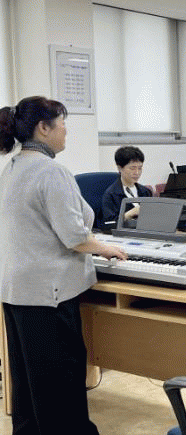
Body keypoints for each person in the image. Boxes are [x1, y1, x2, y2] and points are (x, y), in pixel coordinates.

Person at [0, 96, 127, 434]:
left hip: (16, 291)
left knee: (29, 383)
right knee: (61, 383)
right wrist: (106, 248)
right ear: (44, 128)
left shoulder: (12, 167)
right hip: (49, 295)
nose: (66, 131)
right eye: (62, 124)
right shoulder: (51, 171)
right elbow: (74, 236)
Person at [101, 145, 152, 225]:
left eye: (140, 168)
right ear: (119, 168)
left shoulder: (146, 192)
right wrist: (128, 214)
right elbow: (109, 224)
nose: (137, 172)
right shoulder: (111, 195)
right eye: (132, 168)